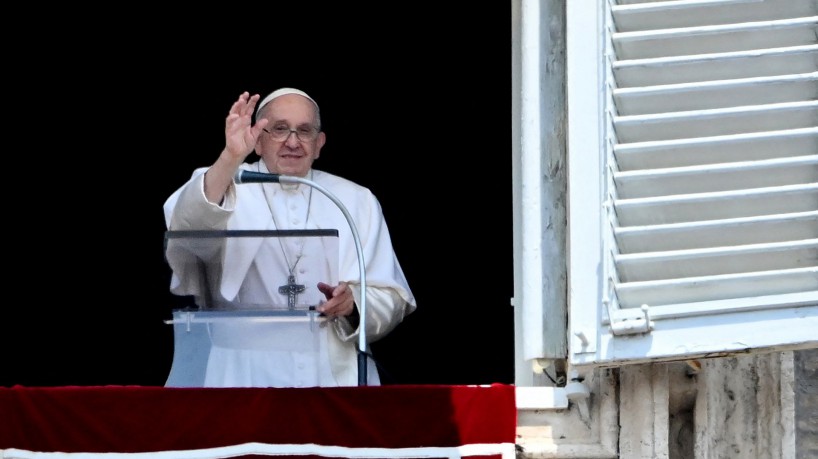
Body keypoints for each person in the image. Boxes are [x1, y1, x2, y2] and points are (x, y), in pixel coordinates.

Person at [163, 87, 416, 387]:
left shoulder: (356, 200)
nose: (293, 142)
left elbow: (391, 298)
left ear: (319, 143)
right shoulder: (224, 184)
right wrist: (230, 157)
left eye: (305, 131)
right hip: (242, 374)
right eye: (280, 129)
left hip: (332, 374)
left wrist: (353, 304)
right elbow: (187, 227)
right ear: (258, 139)